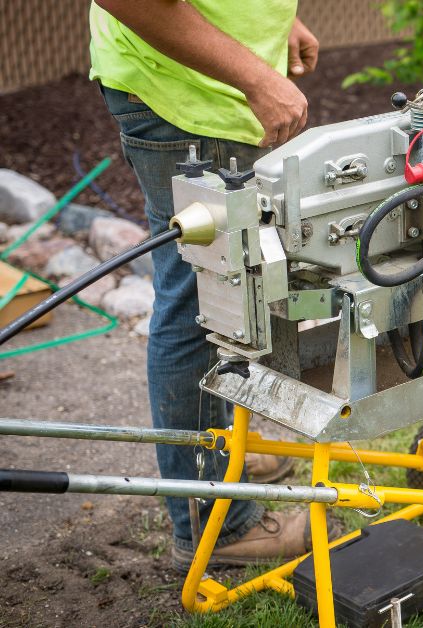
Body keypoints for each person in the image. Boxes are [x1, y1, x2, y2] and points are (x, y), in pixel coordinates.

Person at [89, 0, 317, 570]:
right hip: (186, 98)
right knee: (199, 304)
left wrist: (273, 20)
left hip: (202, 89)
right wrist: (254, 75)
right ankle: (217, 525)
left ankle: (219, 459)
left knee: (224, 293)